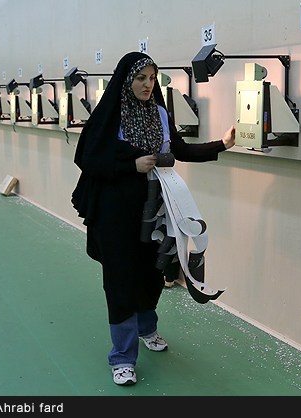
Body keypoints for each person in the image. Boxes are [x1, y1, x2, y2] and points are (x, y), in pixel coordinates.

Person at [71, 51, 235, 386]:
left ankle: (147, 329)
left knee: (151, 273)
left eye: (152, 78)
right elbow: (87, 158)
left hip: (155, 208)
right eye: (140, 78)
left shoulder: (159, 113)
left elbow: (180, 150)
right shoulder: (110, 115)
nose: (147, 85)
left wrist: (222, 144)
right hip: (115, 212)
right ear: (126, 80)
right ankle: (122, 358)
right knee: (120, 282)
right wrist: (130, 165)